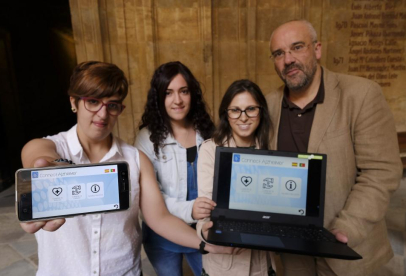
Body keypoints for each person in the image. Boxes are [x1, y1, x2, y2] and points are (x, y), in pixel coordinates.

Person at [20, 61, 238, 276]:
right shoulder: (51, 146)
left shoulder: (135, 159)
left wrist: (208, 245)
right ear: (74, 102)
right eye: (93, 102)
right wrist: (54, 169)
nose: (103, 114)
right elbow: (37, 155)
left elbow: (160, 218)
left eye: (112, 105)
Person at [266, 20, 403, 276]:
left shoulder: (361, 95)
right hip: (293, 251)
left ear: (317, 49)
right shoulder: (268, 105)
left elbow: (380, 172)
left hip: (347, 247)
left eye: (297, 47)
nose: (288, 60)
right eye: (279, 53)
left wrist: (347, 228)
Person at [134, 61, 216, 276]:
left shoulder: (209, 132)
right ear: (159, 98)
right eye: (168, 93)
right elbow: (152, 196)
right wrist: (189, 210)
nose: (177, 100)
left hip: (203, 228)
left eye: (184, 91)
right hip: (162, 235)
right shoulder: (146, 139)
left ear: (193, 95)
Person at [196, 79, 272, 276]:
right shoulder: (210, 149)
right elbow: (205, 208)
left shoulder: (271, 148)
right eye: (235, 110)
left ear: (261, 111)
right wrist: (204, 230)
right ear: (226, 114)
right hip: (224, 264)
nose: (243, 117)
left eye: (251, 109)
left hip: (261, 261)